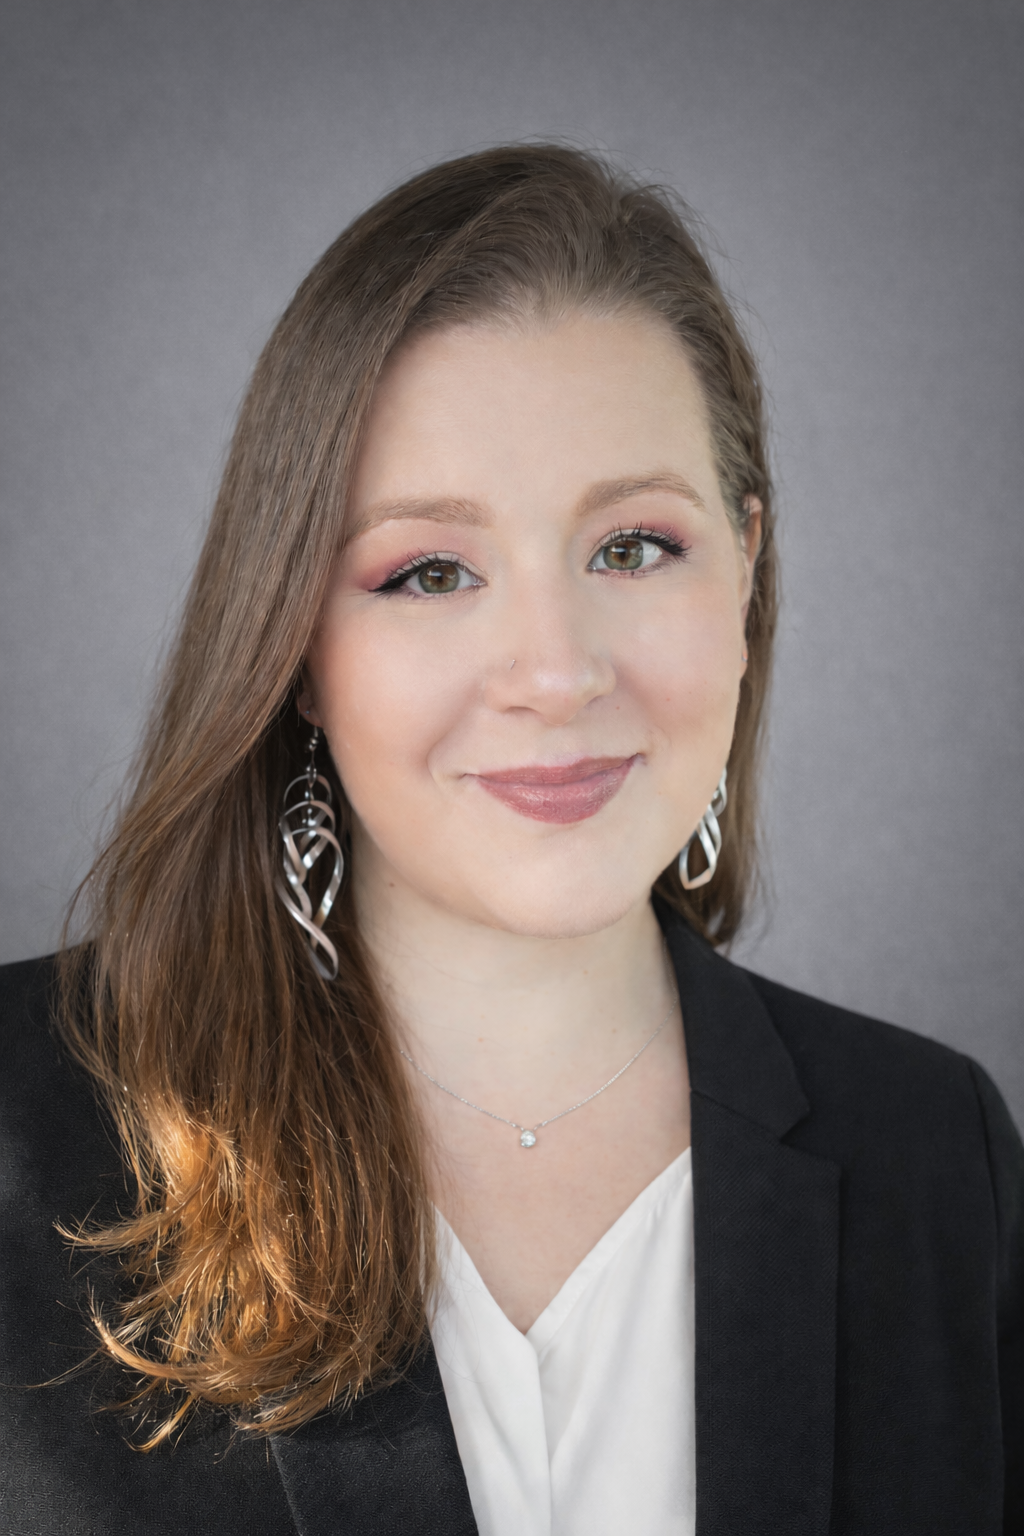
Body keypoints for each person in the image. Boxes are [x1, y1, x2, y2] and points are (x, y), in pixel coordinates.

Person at [1, 144, 1021, 1536]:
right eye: (431, 571)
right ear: (297, 643)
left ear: (747, 568)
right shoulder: (18, 1124)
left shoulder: (936, 1157)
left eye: (634, 548)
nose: (554, 672)